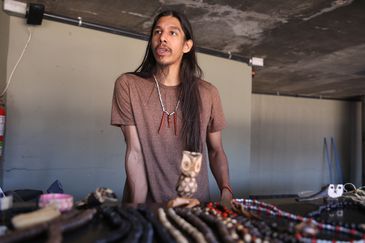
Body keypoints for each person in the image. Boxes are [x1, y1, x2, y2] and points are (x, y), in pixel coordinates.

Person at [111, 10, 233, 203]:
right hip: (147, 206)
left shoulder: (207, 92)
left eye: (172, 33)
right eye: (157, 32)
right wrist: (139, 210)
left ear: (187, 46)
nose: (162, 38)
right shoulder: (128, 85)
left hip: (194, 207)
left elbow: (216, 150)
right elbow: (135, 152)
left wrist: (226, 189)